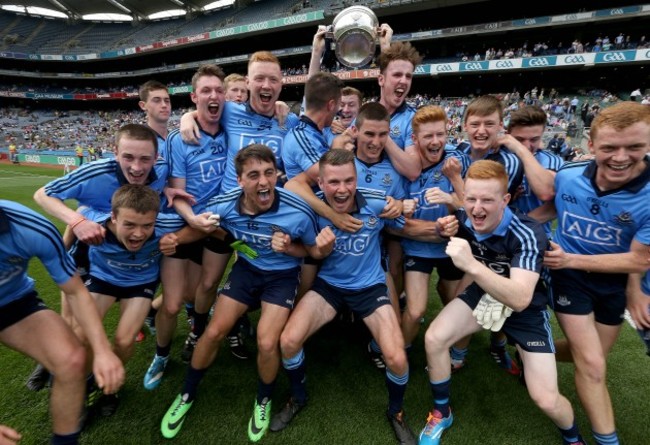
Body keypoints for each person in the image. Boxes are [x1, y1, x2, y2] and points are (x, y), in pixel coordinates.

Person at [272, 149, 457, 445]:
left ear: (357, 179)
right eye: (333, 182)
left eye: (348, 180)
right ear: (320, 181)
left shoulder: (376, 202)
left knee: (396, 357)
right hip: (329, 286)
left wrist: (442, 228)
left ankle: (396, 412)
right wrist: (319, 249)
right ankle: (298, 397)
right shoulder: (312, 208)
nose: (342, 189)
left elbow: (406, 227)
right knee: (288, 341)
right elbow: (308, 251)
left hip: (370, 287)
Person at [159, 145, 322, 442]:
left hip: (282, 277)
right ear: (240, 181)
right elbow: (202, 227)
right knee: (214, 331)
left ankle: (263, 400)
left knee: (266, 340)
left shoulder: (298, 210)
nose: (263, 182)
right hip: (247, 271)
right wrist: (176, 238)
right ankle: (187, 393)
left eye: (269, 173)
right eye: (254, 175)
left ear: (277, 174)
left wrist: (289, 248)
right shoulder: (225, 204)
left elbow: (312, 251)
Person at [418, 160, 586, 445]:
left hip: (525, 310)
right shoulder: (466, 217)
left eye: (487, 200)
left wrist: (471, 265)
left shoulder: (529, 232)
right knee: (434, 338)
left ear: (506, 200)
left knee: (545, 399)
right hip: (484, 294)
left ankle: (573, 438)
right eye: (470, 199)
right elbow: (457, 220)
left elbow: (520, 298)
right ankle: (441, 411)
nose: (477, 208)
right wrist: (445, 226)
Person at [543, 101, 650, 445]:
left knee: (585, 357)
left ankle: (531, 349)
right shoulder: (569, 175)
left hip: (609, 281)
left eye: (634, 146)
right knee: (592, 365)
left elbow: (638, 261)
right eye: (609, 147)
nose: (620, 157)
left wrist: (570, 259)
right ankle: (608, 441)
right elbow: (546, 206)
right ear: (591, 145)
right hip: (569, 280)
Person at [0, 200, 124, 445]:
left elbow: (77, 292)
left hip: (11, 300)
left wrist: (101, 351)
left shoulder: (29, 227)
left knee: (73, 359)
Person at [143, 64, 234, 391]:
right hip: (189, 223)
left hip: (220, 223)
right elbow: (178, 191)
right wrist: (193, 219)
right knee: (174, 299)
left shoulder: (230, 126)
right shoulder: (180, 138)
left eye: (218, 90)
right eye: (205, 91)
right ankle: (162, 354)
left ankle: (195, 332)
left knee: (207, 286)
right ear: (194, 97)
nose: (214, 96)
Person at [79, 184, 183, 416]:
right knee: (81, 334)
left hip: (140, 284)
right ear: (113, 217)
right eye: (129, 225)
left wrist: (177, 238)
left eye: (147, 226)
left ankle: (109, 389)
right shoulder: (94, 220)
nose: (138, 234)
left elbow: (198, 227)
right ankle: (87, 382)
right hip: (103, 279)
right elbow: (76, 218)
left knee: (125, 341)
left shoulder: (166, 224)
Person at [400, 105, 468, 353]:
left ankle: (458, 353)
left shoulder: (457, 160)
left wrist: (453, 194)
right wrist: (403, 210)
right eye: (428, 136)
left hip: (452, 248)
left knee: (458, 305)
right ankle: (402, 350)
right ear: (415, 139)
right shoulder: (406, 169)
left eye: (440, 134)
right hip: (418, 248)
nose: (435, 141)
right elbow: (397, 221)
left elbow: (474, 209)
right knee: (416, 310)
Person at [139, 80, 172, 149]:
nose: (164, 105)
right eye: (156, 100)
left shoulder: (176, 138)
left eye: (167, 101)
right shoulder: (138, 142)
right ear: (143, 105)